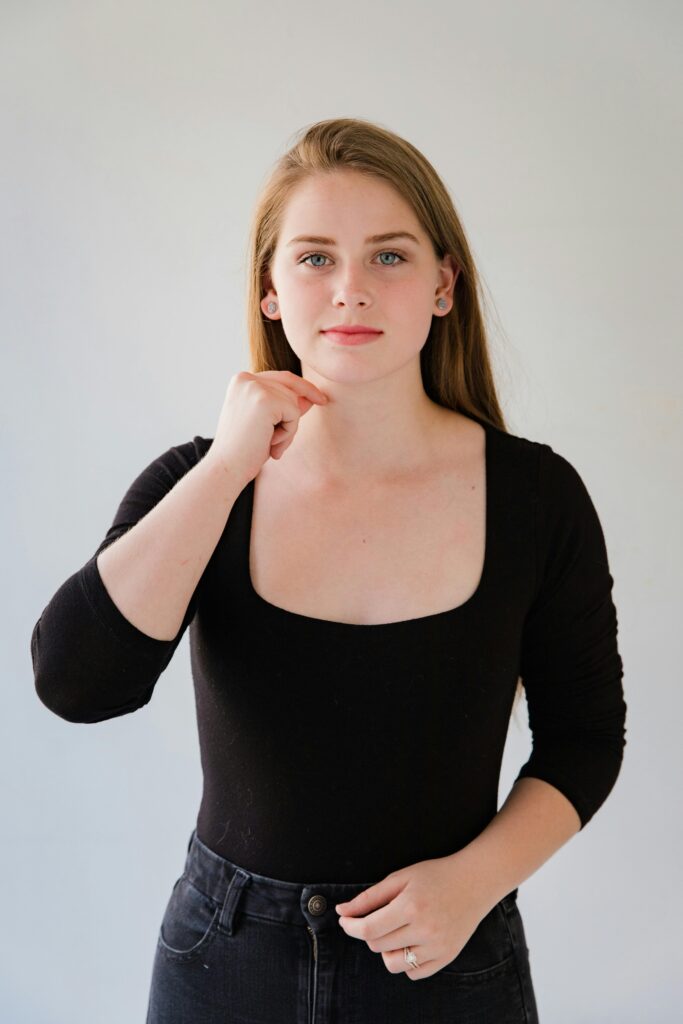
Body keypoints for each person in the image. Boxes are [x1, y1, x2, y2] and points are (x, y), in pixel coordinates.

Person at [30, 117, 627, 1023]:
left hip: (446, 960)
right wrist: (227, 469)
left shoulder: (536, 497)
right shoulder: (196, 485)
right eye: (313, 259)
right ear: (270, 290)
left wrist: (472, 883)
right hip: (223, 963)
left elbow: (585, 738)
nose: (350, 289)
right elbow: (77, 684)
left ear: (442, 285)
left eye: (388, 257)